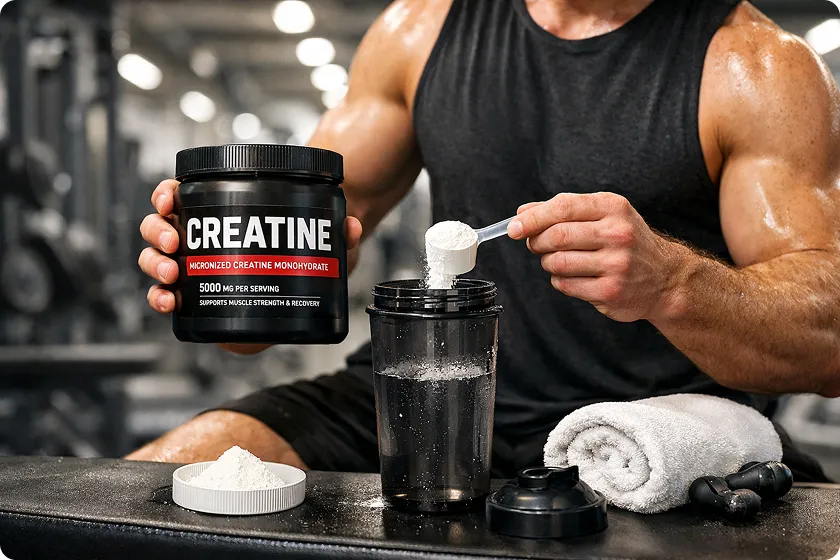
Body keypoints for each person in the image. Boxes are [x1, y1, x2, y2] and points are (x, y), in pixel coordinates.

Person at [129, 0, 840, 481]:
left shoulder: (754, 65)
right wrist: (219, 273)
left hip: (645, 429)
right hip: (416, 391)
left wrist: (674, 284)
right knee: (149, 493)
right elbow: (263, 313)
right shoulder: (420, 30)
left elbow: (828, 340)